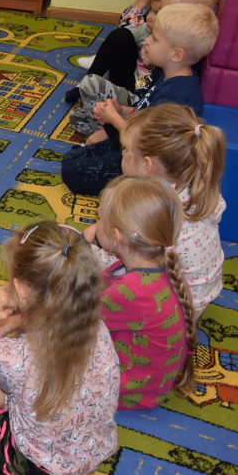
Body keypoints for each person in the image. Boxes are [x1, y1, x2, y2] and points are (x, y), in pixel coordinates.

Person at [0, 221, 119, 475]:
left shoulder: (11, 357)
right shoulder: (97, 328)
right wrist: (19, 322)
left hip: (34, 473)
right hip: (95, 449)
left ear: (21, 290)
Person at [61, 2, 219, 196]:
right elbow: (144, 111)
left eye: (155, 39)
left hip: (147, 162)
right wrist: (121, 110)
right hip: (133, 140)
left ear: (176, 54)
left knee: (72, 171)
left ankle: (135, 191)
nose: (147, 41)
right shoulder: (167, 75)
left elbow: (145, 142)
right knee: (74, 151)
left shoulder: (177, 97)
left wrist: (113, 119)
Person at [95, 103, 226, 320]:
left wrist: (88, 255)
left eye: (126, 149)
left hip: (171, 312)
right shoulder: (195, 184)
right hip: (200, 297)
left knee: (90, 287)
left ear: (147, 166)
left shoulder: (151, 206)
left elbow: (121, 252)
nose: (124, 153)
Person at [92, 176, 196, 410]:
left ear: (117, 238)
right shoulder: (161, 268)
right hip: (149, 384)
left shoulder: (130, 291)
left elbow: (72, 319)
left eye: (99, 218)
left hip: (124, 391)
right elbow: (104, 279)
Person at [66, 0, 207, 103]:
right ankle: (91, 79)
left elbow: (129, 31)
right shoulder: (160, 6)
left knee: (122, 37)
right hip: (133, 75)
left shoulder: (176, 33)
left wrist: (143, 1)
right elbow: (125, 32)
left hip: (140, 93)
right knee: (121, 36)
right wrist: (144, 1)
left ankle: (96, 79)